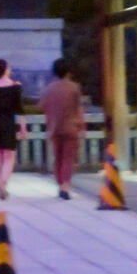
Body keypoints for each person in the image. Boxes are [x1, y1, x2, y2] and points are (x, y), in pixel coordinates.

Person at [39, 59, 84, 199]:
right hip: (70, 126)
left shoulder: (48, 89)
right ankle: (65, 185)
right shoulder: (74, 88)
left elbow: (41, 105)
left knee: (57, 157)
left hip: (54, 127)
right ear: (69, 72)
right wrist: (81, 125)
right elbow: (78, 108)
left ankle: (59, 183)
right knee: (68, 158)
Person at [0, 58, 27, 200]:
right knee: (9, 156)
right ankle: (3, 183)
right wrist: (23, 128)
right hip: (9, 124)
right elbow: (19, 110)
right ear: (5, 69)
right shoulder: (16, 86)